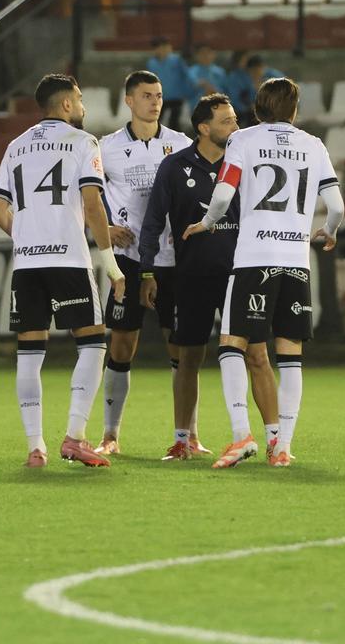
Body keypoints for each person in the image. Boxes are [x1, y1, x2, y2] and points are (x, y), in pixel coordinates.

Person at [184, 78, 344, 467]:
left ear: (258, 107)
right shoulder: (314, 144)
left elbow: (223, 195)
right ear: (294, 110)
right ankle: (282, 447)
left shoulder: (244, 139)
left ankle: (242, 435)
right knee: (290, 355)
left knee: (230, 345)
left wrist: (206, 223)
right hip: (296, 261)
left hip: (254, 258)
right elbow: (337, 205)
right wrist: (329, 230)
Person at [0, 74, 125, 468]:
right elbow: (93, 205)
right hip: (68, 260)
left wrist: (27, 235)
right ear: (66, 104)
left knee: (29, 353)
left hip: (27, 264)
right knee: (93, 344)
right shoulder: (83, 142)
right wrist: (112, 266)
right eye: (79, 98)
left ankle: (36, 447)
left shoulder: (16, 145)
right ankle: (75, 437)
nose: (82, 105)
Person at [138, 94, 281, 461]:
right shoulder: (174, 166)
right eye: (226, 121)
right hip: (191, 276)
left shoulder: (246, 162)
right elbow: (152, 222)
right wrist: (147, 270)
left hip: (241, 275)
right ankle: (182, 439)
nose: (236, 127)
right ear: (203, 128)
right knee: (188, 358)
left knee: (257, 354)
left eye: (235, 120)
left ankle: (276, 441)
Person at [94, 71, 193, 455]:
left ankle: (189, 435)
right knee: (121, 345)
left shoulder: (181, 144)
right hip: (129, 258)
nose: (155, 102)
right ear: (129, 100)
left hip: (173, 258)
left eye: (159, 95)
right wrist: (104, 227)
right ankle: (110, 435)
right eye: (147, 95)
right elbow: (86, 194)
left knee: (181, 347)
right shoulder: (106, 147)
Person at [145, 37, 193, 131]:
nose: (162, 50)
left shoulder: (177, 60)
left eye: (165, 47)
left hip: (176, 96)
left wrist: (188, 90)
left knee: (174, 122)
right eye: (159, 48)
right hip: (159, 97)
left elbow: (187, 74)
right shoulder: (151, 63)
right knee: (156, 119)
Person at [227, 54, 285, 125]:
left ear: (264, 67)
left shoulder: (274, 76)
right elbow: (234, 99)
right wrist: (248, 108)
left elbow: (285, 91)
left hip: (272, 109)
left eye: (259, 69)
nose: (257, 73)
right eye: (253, 71)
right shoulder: (239, 78)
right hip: (248, 113)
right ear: (248, 70)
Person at [187, 45, 228, 113]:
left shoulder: (220, 72)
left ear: (214, 54)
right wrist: (200, 85)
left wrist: (214, 91)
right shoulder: (191, 72)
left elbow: (226, 92)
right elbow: (187, 91)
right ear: (197, 56)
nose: (206, 56)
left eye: (209, 53)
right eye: (202, 53)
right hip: (197, 109)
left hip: (218, 109)